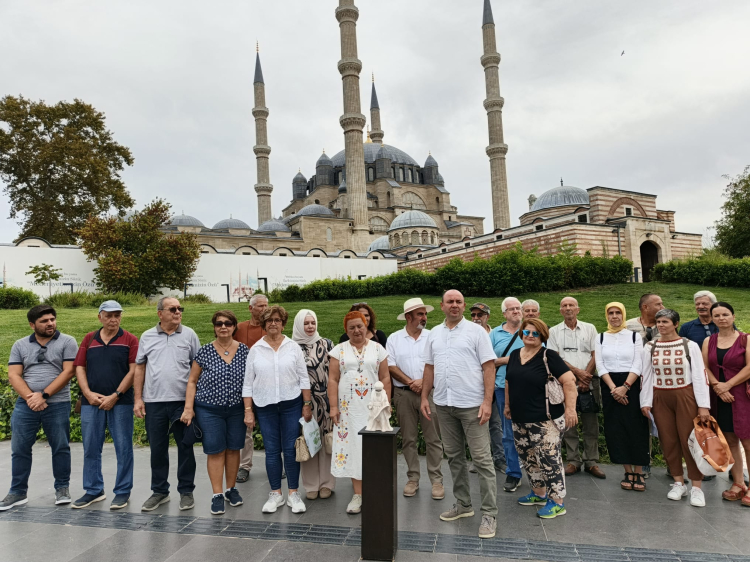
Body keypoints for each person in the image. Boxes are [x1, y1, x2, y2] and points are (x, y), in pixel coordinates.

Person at [420, 290, 498, 540]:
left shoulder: (477, 332)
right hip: (444, 404)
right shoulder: (434, 333)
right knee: (454, 457)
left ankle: (489, 513)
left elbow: (489, 367)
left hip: (472, 405)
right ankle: (464, 504)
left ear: (464, 306)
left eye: (458, 302)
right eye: (450, 301)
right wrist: (424, 397)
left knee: (482, 460)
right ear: (441, 305)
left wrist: (487, 401)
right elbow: (429, 367)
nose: (454, 305)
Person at [0, 305, 78, 511]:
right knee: (19, 448)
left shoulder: (67, 341)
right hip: (26, 404)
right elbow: (14, 375)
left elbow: (69, 372)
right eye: (44, 321)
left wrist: (43, 395)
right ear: (32, 325)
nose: (50, 323)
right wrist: (31, 397)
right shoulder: (20, 345)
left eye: (52, 319)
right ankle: (17, 492)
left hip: (57, 403)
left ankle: (62, 488)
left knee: (60, 446)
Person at [504, 318, 578, 519]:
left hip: (545, 420)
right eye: (526, 332)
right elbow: (509, 381)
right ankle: (539, 493)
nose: (530, 336)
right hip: (519, 419)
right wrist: (508, 405)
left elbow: (569, 381)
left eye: (535, 333)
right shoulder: (515, 354)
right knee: (528, 458)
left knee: (549, 460)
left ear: (542, 336)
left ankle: (557, 502)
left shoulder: (548, 356)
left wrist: (570, 410)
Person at [243, 305, 312, 514]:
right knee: (272, 450)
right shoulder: (255, 350)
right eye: (269, 320)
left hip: (291, 404)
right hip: (265, 406)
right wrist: (248, 410)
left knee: (290, 449)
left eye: (277, 320)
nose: (273, 323)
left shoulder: (293, 347)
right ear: (264, 324)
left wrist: (306, 404)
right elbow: (248, 383)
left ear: (283, 324)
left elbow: (304, 378)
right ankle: (275, 494)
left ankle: (293, 493)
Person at [134, 297, 200, 512]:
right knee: (157, 448)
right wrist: (138, 398)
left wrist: (192, 404)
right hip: (154, 402)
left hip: (182, 402)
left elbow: (197, 368)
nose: (178, 312)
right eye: (173, 309)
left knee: (185, 447)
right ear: (160, 313)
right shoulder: (147, 336)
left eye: (180, 308)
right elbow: (140, 368)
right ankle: (160, 491)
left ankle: (186, 491)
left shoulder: (189, 334)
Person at [640, 309, 711, 507]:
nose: (661, 325)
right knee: (668, 440)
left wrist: (703, 406)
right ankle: (678, 482)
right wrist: (645, 401)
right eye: (658, 322)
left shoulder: (689, 345)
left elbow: (700, 375)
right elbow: (646, 375)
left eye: (665, 322)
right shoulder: (650, 347)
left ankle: (696, 487)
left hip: (685, 396)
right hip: (660, 397)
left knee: (690, 440)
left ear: (676, 324)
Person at [72, 300, 138, 510]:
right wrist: (87, 393)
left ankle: (122, 492)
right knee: (91, 447)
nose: (113, 319)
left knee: (124, 448)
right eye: (109, 315)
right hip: (91, 403)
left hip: (121, 402)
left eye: (117, 315)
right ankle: (93, 490)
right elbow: (79, 367)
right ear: (99, 316)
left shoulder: (130, 339)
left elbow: (134, 370)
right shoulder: (89, 338)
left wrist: (115, 395)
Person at [181, 310, 248, 515]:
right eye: (219, 324)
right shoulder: (205, 351)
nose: (223, 327)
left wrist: (249, 409)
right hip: (209, 410)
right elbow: (192, 381)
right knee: (216, 450)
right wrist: (188, 408)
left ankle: (231, 489)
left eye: (228, 323)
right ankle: (217, 494)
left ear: (234, 327)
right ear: (214, 327)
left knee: (234, 449)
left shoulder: (244, 351)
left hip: (236, 409)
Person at [329, 311, 391, 514]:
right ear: (346, 330)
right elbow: (333, 379)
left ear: (366, 326)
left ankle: (375, 491)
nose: (356, 330)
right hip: (348, 410)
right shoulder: (339, 351)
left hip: (374, 408)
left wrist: (386, 405)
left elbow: (385, 378)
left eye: (360, 326)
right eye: (352, 328)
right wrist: (334, 407)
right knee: (354, 447)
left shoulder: (378, 349)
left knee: (374, 447)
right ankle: (358, 494)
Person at [387, 298, 444, 500]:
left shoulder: (433, 336)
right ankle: (412, 479)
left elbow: (439, 363)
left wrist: (424, 383)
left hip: (429, 394)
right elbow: (390, 366)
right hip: (403, 394)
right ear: (408, 317)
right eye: (420, 314)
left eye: (425, 314)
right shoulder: (394, 338)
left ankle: (436, 481)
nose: (424, 317)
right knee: (408, 439)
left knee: (433, 438)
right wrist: (411, 382)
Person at [548, 297, 605, 479]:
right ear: (560, 310)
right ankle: (573, 460)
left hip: (589, 381)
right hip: (565, 382)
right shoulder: (553, 331)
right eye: (564, 305)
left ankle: (591, 461)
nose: (568, 308)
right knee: (569, 422)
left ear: (578, 309)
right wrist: (578, 374)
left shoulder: (590, 328)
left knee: (591, 423)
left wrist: (585, 378)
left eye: (571, 305)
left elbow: (596, 354)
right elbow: (555, 358)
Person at [595, 302, 649, 492]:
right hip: (609, 385)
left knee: (636, 427)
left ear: (623, 315)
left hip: (632, 384)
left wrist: (625, 387)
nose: (614, 316)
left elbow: (638, 363)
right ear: (606, 315)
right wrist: (613, 389)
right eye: (610, 313)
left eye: (618, 312)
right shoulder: (601, 337)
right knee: (616, 429)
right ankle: (627, 471)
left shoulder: (634, 336)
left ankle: (639, 471)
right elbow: (600, 364)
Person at [702, 302, 750, 505]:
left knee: (748, 442)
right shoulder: (709, 341)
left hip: (742, 395)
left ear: (733, 316)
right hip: (719, 396)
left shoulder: (746, 339)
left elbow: (749, 367)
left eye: (725, 314)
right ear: (712, 319)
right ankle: (738, 483)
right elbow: (705, 367)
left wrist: (728, 385)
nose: (721, 318)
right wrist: (718, 387)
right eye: (717, 315)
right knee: (730, 441)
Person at [292, 309, 336, 501]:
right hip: (303, 401)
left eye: (312, 322)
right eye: (306, 323)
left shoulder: (327, 344)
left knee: (327, 441)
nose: (310, 326)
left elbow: (335, 373)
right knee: (308, 440)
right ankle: (310, 485)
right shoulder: (291, 347)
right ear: (298, 324)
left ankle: (327, 483)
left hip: (325, 400)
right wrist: (305, 402)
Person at [489, 297, 526, 493]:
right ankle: (513, 473)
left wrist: (506, 359)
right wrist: (512, 359)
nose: (516, 311)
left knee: (533, 430)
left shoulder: (530, 330)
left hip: (529, 388)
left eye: (518, 308)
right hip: (502, 388)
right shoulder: (495, 334)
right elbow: (488, 361)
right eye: (511, 309)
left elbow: (540, 356)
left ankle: (537, 473)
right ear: (504, 313)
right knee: (509, 433)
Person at [234, 293, 268, 483]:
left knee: (270, 426)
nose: (264, 309)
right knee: (246, 427)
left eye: (266, 306)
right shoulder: (239, 328)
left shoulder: (271, 327)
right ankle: (244, 466)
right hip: (245, 384)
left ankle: (275, 463)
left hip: (267, 384)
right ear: (250, 308)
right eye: (260, 306)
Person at [470, 302, 506, 475]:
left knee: (495, 424)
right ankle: (477, 460)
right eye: (473, 315)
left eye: (480, 315)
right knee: (475, 423)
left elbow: (494, 362)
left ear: (487, 317)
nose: (476, 318)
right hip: (473, 385)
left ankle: (499, 459)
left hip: (493, 384)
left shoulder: (495, 335)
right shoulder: (468, 333)